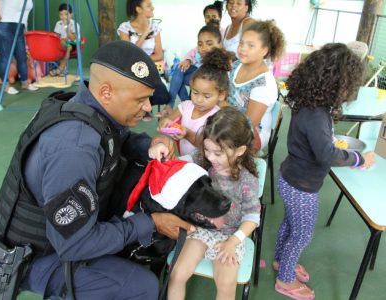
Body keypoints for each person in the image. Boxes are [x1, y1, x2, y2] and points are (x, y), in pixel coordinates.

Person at [0, 41, 194, 299]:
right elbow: (74, 244)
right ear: (106, 92)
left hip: (58, 237)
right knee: (142, 286)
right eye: (140, 100)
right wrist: (150, 223)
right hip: (39, 255)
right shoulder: (74, 149)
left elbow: (116, 140)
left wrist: (151, 144)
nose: (148, 107)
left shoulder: (89, 108)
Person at [273, 43, 376, 300]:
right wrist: (356, 157)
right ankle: (285, 279)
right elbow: (327, 154)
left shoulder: (307, 103)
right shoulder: (317, 114)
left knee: (290, 224)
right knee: (302, 233)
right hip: (302, 186)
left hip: (291, 177)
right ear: (338, 83)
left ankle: (280, 261)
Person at [151, 106, 261, 300]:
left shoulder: (247, 180)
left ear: (240, 150)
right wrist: (160, 146)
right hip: (200, 230)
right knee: (177, 274)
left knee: (226, 286)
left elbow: (252, 216)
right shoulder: (202, 160)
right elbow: (174, 164)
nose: (210, 157)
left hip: (230, 236)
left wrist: (232, 242)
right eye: (207, 150)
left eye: (217, 153)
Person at [158, 48, 234, 156]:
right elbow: (167, 120)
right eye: (195, 92)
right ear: (191, 84)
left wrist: (187, 133)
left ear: (221, 95)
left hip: (206, 165)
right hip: (186, 160)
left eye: (206, 96)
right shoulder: (185, 106)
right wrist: (164, 124)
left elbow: (206, 146)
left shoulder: (217, 117)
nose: (198, 100)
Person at [226, 20, 285, 150]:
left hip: (250, 133)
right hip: (226, 118)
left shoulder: (264, 84)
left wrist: (220, 104)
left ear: (264, 50)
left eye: (250, 45)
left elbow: (248, 123)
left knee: (215, 142)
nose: (242, 49)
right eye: (241, 43)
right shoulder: (236, 65)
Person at [161, 1, 225, 118]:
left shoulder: (222, 33)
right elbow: (194, 51)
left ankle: (185, 104)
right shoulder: (204, 33)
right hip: (200, 71)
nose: (204, 47)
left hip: (209, 77)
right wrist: (188, 60)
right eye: (207, 16)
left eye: (214, 16)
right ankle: (175, 104)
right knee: (179, 69)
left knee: (179, 79)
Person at [118, 0, 168, 122]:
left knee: (163, 96)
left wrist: (140, 59)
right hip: (130, 70)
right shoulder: (125, 28)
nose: (153, 8)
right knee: (131, 92)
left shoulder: (155, 28)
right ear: (138, 9)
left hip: (150, 69)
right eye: (149, 6)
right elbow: (129, 54)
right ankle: (141, 109)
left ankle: (145, 107)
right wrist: (144, 34)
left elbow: (159, 55)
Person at [0, 0, 38, 94]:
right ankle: (6, 86)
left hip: (19, 28)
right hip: (3, 26)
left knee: (22, 57)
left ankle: (25, 83)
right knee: (5, 57)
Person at [50, 3, 80, 76]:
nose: (63, 17)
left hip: (73, 44)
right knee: (56, 45)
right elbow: (56, 37)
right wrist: (60, 40)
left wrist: (66, 26)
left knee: (68, 48)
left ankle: (59, 69)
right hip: (63, 43)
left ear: (71, 14)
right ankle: (63, 68)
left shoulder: (74, 24)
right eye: (61, 14)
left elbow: (73, 38)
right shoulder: (58, 23)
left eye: (66, 14)